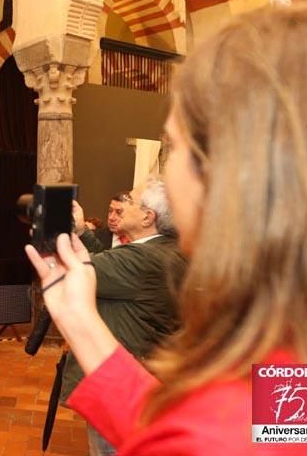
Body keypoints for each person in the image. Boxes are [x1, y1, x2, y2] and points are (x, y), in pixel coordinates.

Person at [26, 3, 307, 455]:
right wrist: (81, 322)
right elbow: (182, 431)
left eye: (174, 148)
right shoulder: (300, 352)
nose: (165, 175)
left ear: (227, 177)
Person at [65, 178, 187, 456]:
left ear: (148, 216)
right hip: (150, 375)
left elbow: (79, 273)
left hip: (124, 385)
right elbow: (111, 269)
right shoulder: (170, 249)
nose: (120, 207)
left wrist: (54, 234)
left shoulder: (143, 259)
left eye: (130, 201)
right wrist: (82, 230)